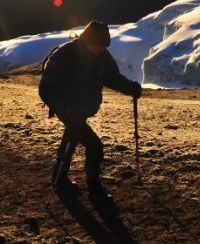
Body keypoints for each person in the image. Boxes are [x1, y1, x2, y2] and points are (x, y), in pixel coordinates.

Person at [39, 21, 143, 201]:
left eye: (103, 47)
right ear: (86, 40)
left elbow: (111, 76)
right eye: (97, 46)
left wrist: (130, 88)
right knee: (95, 146)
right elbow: (46, 88)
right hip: (68, 109)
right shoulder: (66, 54)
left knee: (71, 138)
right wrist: (67, 111)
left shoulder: (102, 54)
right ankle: (94, 189)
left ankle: (61, 181)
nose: (100, 50)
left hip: (82, 108)